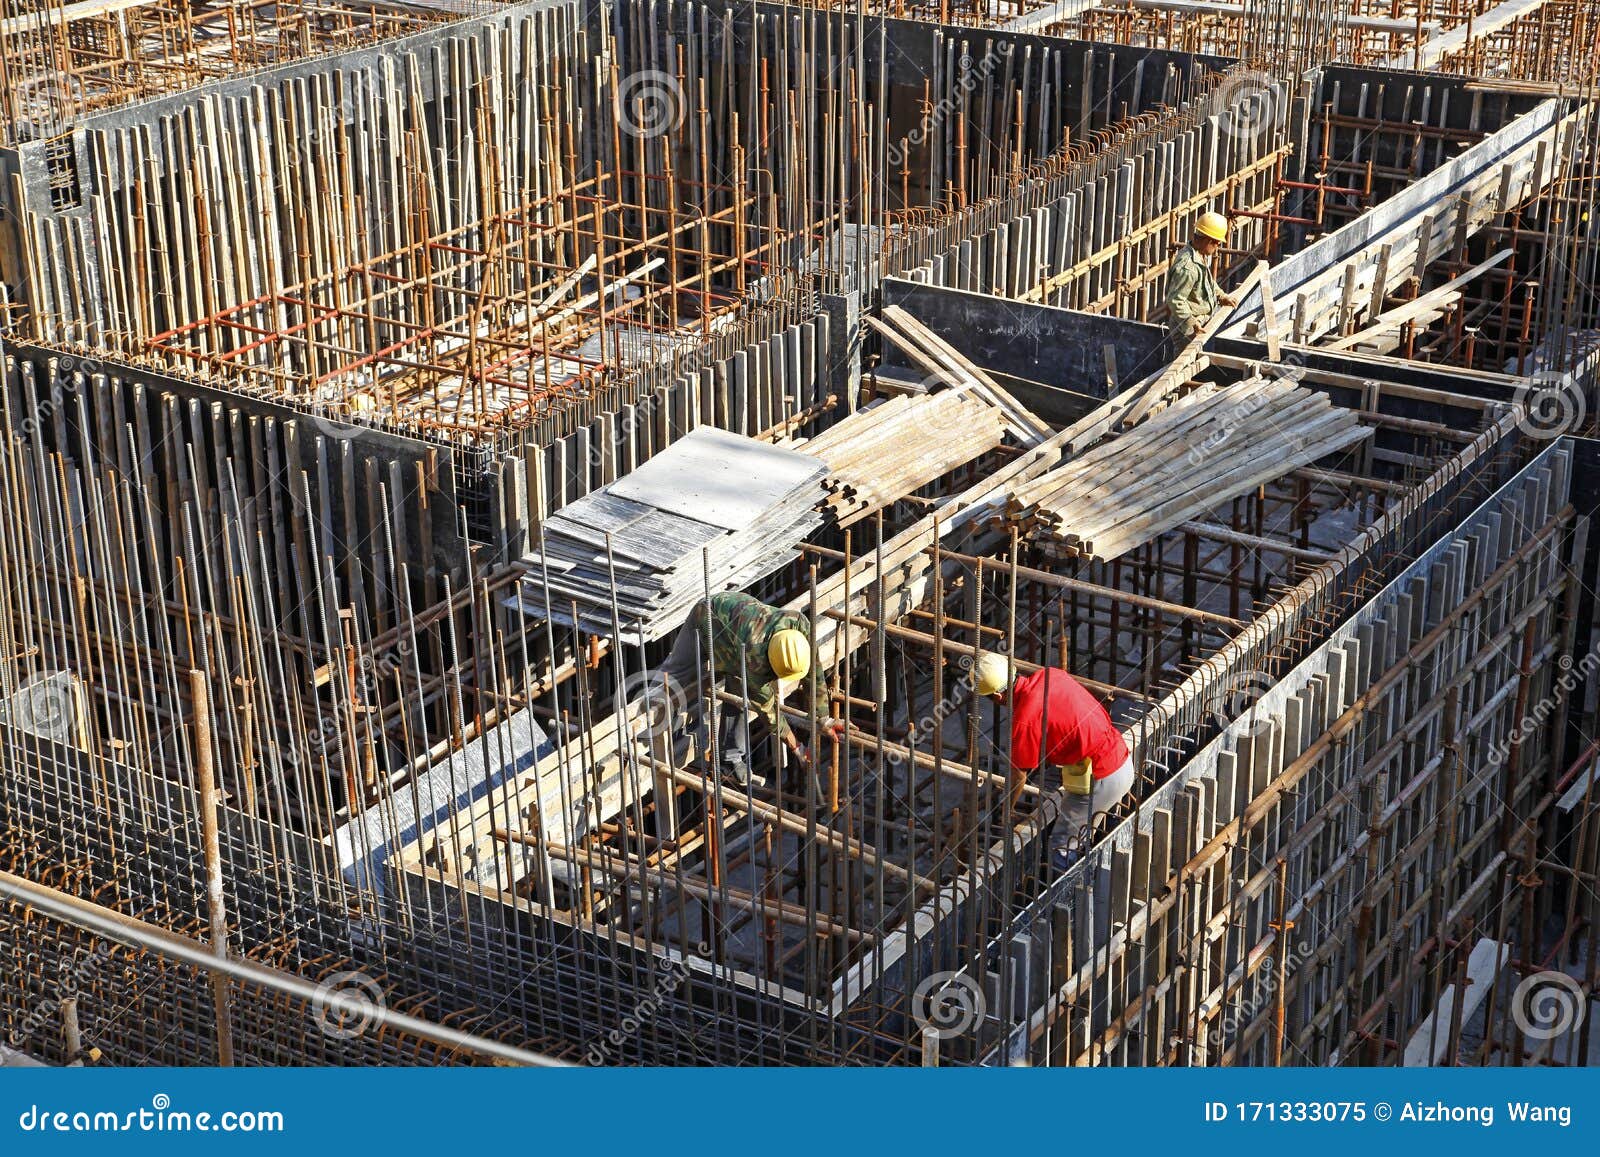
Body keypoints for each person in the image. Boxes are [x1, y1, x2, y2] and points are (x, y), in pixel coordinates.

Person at [974, 652, 1135, 869]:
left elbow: (1018, 776)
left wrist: (1006, 811)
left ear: (998, 696)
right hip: (1121, 757)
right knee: (1092, 827)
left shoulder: (1025, 720)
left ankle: (1070, 897)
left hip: (1103, 777)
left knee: (1062, 844)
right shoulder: (1050, 674)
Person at [658, 591, 836, 784]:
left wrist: (823, 718)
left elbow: (814, 672)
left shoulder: (799, 625)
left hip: (740, 623)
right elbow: (770, 713)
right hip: (708, 615)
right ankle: (643, 715)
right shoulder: (754, 663)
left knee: (738, 683)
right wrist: (797, 748)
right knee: (675, 676)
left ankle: (729, 759)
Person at [1164, 210, 1239, 357]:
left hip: (1199, 322)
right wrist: (1192, 323)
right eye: (1216, 243)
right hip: (1186, 329)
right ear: (1207, 240)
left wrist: (1221, 296)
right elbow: (1175, 300)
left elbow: (1208, 283)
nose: (1218, 246)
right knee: (1181, 368)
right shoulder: (1188, 267)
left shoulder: (1198, 255)